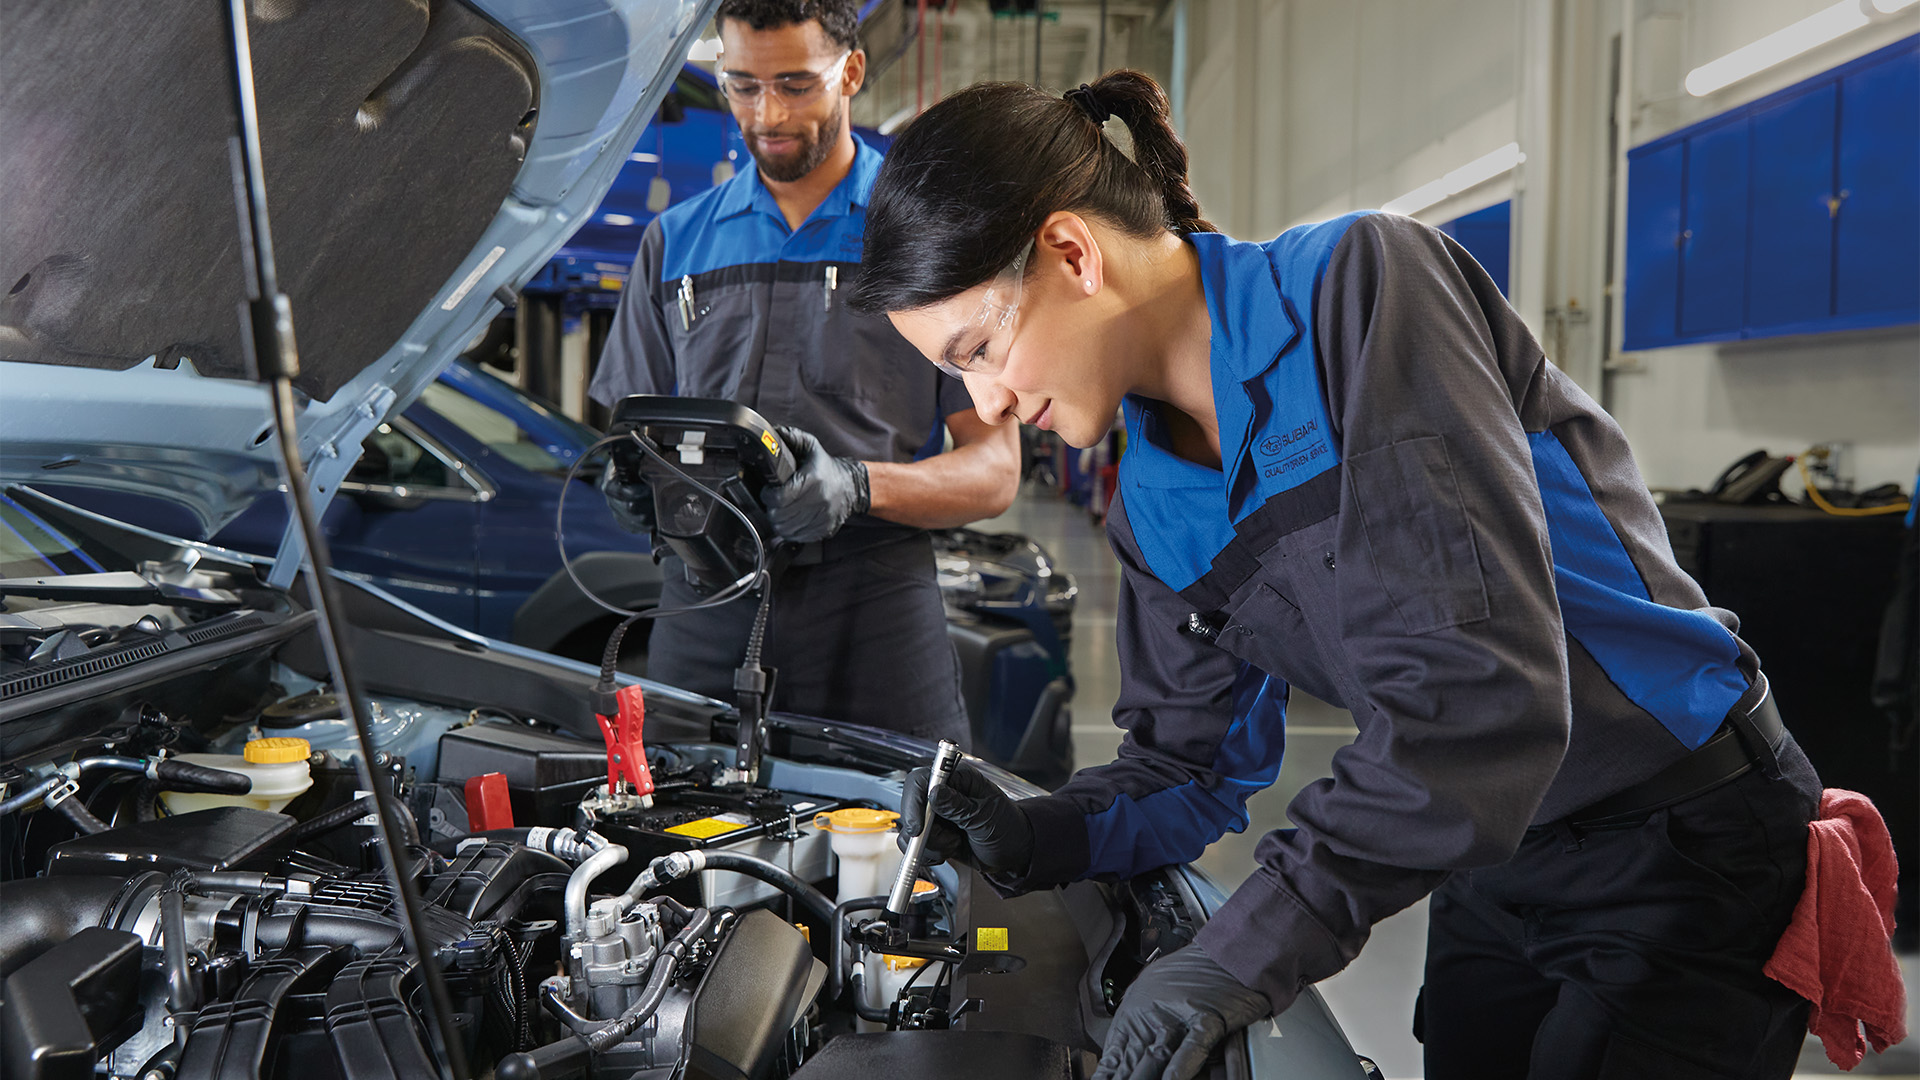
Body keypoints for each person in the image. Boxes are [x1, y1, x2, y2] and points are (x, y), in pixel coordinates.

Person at [852, 72, 1824, 1080]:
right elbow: (1192, 768)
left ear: (1071, 252)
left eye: (980, 348)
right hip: (1492, 851)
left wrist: (1243, 952)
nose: (989, 400)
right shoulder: (1152, 510)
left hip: (1686, 839)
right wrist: (1036, 831)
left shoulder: (1359, 294)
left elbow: (1479, 705)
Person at [588, 0, 1019, 747]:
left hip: (875, 609)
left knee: (905, 843)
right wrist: (635, 486)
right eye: (743, 86)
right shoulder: (675, 244)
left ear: (851, 72)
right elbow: (633, 431)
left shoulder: (925, 237)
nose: (767, 114)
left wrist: (857, 485)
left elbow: (995, 472)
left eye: (794, 84)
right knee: (680, 842)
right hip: (702, 601)